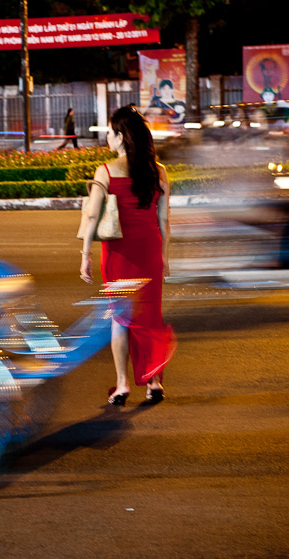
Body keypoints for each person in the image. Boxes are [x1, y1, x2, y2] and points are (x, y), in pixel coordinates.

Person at [79, 105, 175, 406]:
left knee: (120, 320)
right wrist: (165, 256)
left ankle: (122, 386)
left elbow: (92, 217)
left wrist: (85, 255)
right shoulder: (158, 171)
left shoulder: (105, 171)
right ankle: (154, 381)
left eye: (110, 132)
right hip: (149, 251)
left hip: (118, 253)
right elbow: (164, 220)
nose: (107, 137)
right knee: (149, 317)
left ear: (121, 137)